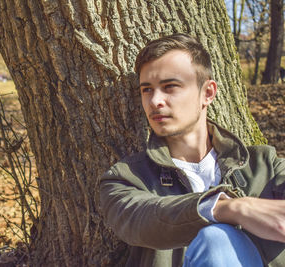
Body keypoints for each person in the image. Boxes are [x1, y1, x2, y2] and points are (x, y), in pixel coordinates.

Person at [99, 33, 285, 267]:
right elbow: (141, 219)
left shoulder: (264, 166)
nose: (155, 100)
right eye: (146, 90)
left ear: (207, 93)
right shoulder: (126, 178)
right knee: (216, 241)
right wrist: (230, 208)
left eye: (170, 87)